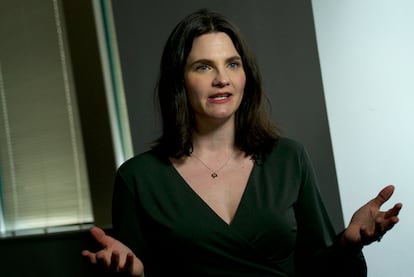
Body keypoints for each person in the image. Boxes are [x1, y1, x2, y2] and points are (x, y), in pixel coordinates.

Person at [82, 9, 402, 276]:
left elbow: (318, 269)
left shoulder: (289, 159)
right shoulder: (137, 178)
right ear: (179, 80)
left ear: (245, 76)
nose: (222, 78)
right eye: (203, 66)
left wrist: (348, 242)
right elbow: (132, 268)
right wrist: (135, 274)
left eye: (232, 64)